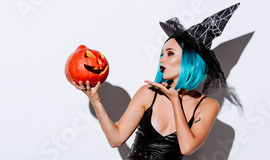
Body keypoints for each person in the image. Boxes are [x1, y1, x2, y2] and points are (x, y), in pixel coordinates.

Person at [70, 3, 240, 160]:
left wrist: (175, 99)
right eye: (161, 54)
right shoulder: (148, 93)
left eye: (170, 54)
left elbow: (187, 147)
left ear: (189, 61)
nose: (161, 60)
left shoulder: (207, 106)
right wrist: (96, 101)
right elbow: (116, 139)